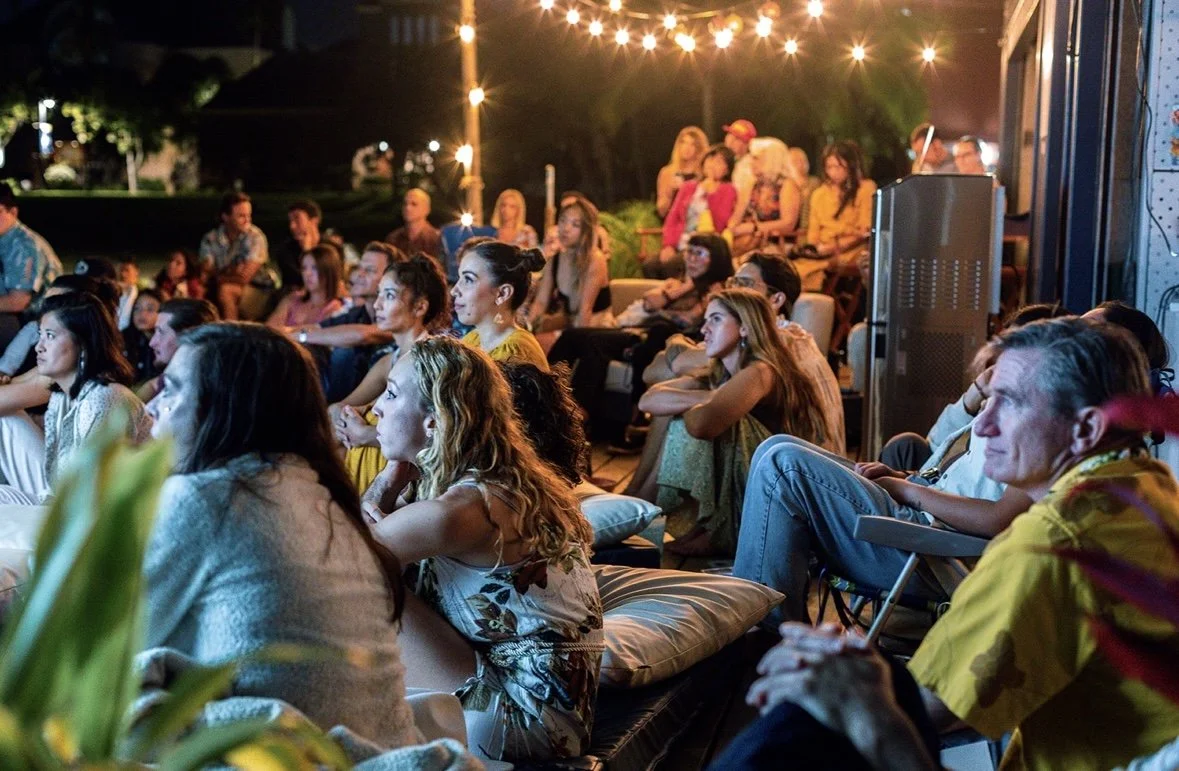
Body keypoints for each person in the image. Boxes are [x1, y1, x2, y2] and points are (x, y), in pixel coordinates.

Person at [726, 318, 1179, 771]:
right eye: (989, 398)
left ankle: (751, 653)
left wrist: (842, 683)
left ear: (1085, 430)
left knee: (804, 717)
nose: (983, 427)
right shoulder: (1151, 489)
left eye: (1010, 403)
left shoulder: (1054, 544)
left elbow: (929, 709)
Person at [144, 323, 419, 750]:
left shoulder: (210, 497)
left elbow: (105, 646)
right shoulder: (321, 494)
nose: (155, 407)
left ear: (225, 407)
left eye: (174, 390)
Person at [363, 336, 602, 762]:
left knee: (369, 584)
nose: (375, 407)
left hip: (529, 713)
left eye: (392, 393)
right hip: (554, 702)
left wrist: (381, 486)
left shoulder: (460, 510)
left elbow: (342, 562)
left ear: (435, 422)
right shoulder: (492, 482)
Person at [643, 288, 828, 556]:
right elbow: (648, 401)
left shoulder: (761, 371)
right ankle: (706, 524)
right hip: (756, 485)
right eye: (706, 320)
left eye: (716, 319)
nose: (704, 329)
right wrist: (711, 395)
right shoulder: (723, 372)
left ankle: (720, 529)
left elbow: (702, 426)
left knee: (698, 418)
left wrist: (700, 403)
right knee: (692, 410)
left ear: (744, 328)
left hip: (777, 500)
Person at [549, 233, 734, 443]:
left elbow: (690, 321)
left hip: (655, 339)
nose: (691, 259)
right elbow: (649, 303)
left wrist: (672, 304)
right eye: (689, 252)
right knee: (571, 336)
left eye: (699, 253)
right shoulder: (678, 283)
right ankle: (547, 398)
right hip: (637, 331)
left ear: (717, 258)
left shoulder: (718, 289)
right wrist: (685, 286)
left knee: (596, 343)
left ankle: (578, 417)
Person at [0, 292, 151, 505]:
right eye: (40, 335)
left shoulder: (104, 399)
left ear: (83, 343)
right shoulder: (61, 394)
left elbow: (94, 500)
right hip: (62, 502)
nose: (39, 346)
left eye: (50, 336)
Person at [332, 254, 450, 495]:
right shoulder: (391, 359)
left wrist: (365, 433)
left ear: (420, 306)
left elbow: (438, 434)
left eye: (389, 295)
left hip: (406, 486)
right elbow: (340, 406)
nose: (377, 305)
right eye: (379, 294)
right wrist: (346, 417)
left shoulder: (430, 361)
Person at [289, 242, 404, 402]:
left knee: (344, 353)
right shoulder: (357, 313)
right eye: (359, 267)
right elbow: (314, 327)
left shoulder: (398, 313)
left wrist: (301, 337)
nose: (359, 275)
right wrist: (281, 334)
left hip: (384, 401)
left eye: (369, 270)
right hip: (353, 395)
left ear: (390, 279)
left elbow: (362, 335)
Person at [522, 197, 613, 349]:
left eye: (575, 224)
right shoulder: (555, 260)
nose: (566, 228)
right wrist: (524, 332)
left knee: (541, 344)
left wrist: (578, 347)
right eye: (563, 221)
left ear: (586, 230)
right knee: (527, 344)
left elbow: (585, 311)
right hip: (569, 326)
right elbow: (540, 303)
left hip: (595, 328)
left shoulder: (595, 259)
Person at [452, 239, 549, 367]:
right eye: (460, 278)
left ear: (503, 293)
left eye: (468, 279)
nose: (454, 291)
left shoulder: (515, 355)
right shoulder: (472, 340)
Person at [799, 140, 877, 291]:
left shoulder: (865, 189)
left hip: (852, 251)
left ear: (851, 166)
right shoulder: (819, 194)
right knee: (792, 270)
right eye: (829, 167)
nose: (833, 172)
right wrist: (818, 248)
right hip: (822, 251)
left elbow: (864, 231)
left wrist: (835, 246)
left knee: (814, 270)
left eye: (838, 166)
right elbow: (813, 235)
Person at [655, 144, 737, 276]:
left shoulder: (728, 190)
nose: (711, 165)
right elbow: (673, 217)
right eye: (710, 160)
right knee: (650, 266)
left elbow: (720, 221)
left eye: (718, 162)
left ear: (727, 170)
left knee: (672, 266)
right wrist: (668, 245)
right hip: (680, 242)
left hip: (703, 247)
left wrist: (709, 193)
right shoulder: (688, 187)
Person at [0, 182, 62, 350]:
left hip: (36, 324)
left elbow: (18, 302)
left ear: (13, 212)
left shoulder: (23, 245)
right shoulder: (4, 240)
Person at [198, 191, 269, 321]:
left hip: (259, 289)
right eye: (241, 216)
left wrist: (219, 275)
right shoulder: (211, 239)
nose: (247, 220)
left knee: (226, 290)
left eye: (249, 215)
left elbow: (244, 278)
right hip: (221, 286)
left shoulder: (255, 237)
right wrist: (232, 272)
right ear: (225, 217)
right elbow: (205, 273)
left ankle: (232, 333)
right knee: (198, 289)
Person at [728, 138, 803, 258]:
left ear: (772, 160)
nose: (751, 162)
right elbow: (736, 217)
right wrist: (732, 227)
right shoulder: (751, 184)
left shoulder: (787, 185)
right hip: (749, 242)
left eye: (756, 158)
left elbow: (788, 223)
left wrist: (754, 228)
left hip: (778, 243)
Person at [138, 297, 220, 403]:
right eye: (155, 332)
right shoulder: (161, 383)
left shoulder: (211, 394)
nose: (152, 343)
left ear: (190, 338)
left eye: (161, 332)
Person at [266, 243, 344, 329]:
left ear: (329, 271)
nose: (307, 274)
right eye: (304, 268)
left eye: (314, 268)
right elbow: (269, 330)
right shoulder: (292, 299)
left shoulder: (336, 308)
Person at [656, 126, 709, 219]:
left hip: (699, 223)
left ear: (699, 148)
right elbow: (661, 211)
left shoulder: (705, 173)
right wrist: (670, 191)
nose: (687, 148)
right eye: (684, 142)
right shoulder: (667, 172)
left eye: (692, 144)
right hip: (673, 224)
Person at [274, 199, 322, 293]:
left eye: (297, 219)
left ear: (314, 221)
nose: (292, 226)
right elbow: (301, 281)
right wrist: (307, 251)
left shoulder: (331, 247)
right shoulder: (285, 251)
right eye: (290, 221)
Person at [385, 188, 442, 261]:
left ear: (427, 209)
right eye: (405, 204)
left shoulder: (437, 239)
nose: (408, 208)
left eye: (414, 204)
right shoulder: (393, 239)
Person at [123, 288, 162, 385]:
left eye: (150, 309)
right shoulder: (124, 338)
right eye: (137, 308)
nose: (142, 314)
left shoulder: (166, 342)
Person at [723, 119, 759, 218]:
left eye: (736, 139)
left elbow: (743, 198)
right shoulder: (728, 160)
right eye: (729, 135)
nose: (730, 141)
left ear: (747, 143)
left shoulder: (751, 165)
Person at [786, 147, 821, 243]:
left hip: (807, 232)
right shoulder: (785, 186)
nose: (800, 163)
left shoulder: (815, 183)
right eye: (795, 161)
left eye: (803, 160)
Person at [115, 256, 140, 330]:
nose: (123, 275)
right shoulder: (109, 296)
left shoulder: (141, 298)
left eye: (127, 270)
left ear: (136, 272)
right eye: (120, 270)